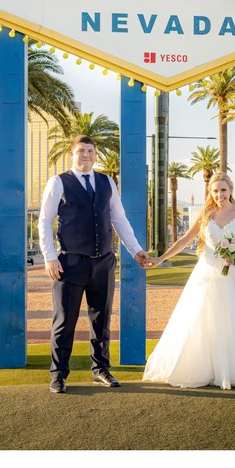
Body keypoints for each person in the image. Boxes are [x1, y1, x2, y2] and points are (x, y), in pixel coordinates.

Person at [143, 172, 235, 390]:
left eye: (223, 190)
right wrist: (161, 258)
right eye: (215, 191)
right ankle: (204, 368)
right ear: (210, 192)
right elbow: (185, 239)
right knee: (201, 318)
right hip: (206, 273)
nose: (219, 195)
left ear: (230, 191)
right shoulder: (206, 213)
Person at [39, 135, 151, 394]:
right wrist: (49, 257)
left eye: (90, 151)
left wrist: (135, 251)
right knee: (64, 321)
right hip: (69, 263)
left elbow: (119, 220)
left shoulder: (107, 182)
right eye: (80, 151)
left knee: (101, 321)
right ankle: (58, 375)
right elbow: (44, 221)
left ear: (96, 154)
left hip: (104, 263)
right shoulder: (58, 183)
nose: (86, 155)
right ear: (72, 154)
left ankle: (101, 370)